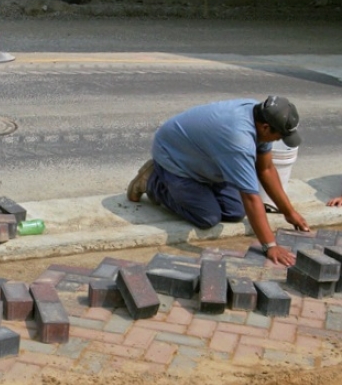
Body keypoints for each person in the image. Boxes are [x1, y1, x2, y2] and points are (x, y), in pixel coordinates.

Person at [127, 96, 310, 267]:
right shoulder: (239, 139)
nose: (279, 140)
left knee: (235, 212)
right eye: (279, 136)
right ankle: (152, 180)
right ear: (265, 127)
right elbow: (250, 198)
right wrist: (270, 245)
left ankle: (199, 185)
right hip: (174, 156)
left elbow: (266, 169)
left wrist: (289, 212)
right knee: (208, 217)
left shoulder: (261, 117)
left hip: (205, 157)